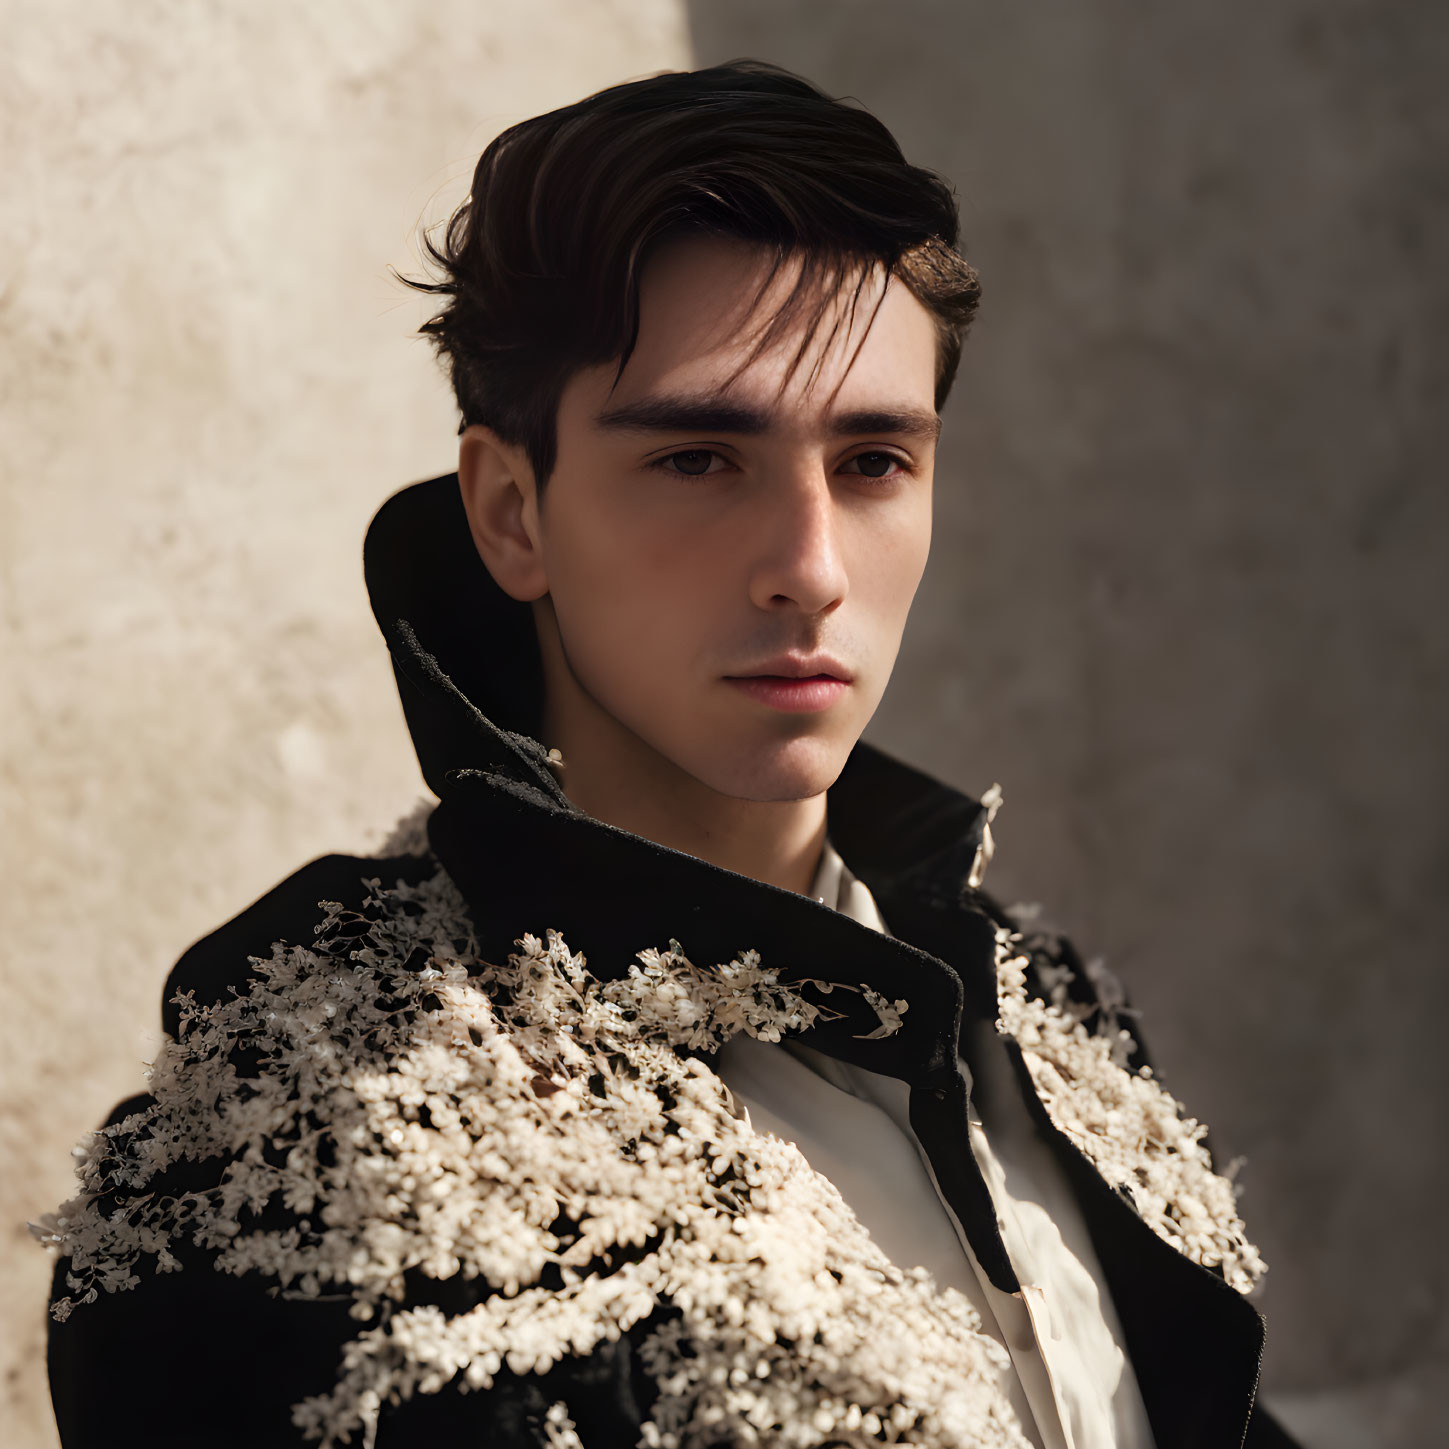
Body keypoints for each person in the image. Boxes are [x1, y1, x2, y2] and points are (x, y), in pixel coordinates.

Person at [38, 61, 1298, 1449]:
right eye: (700, 459)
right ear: (510, 510)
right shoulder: (301, 1120)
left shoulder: (1046, 1013)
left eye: (873, 460)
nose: (809, 569)